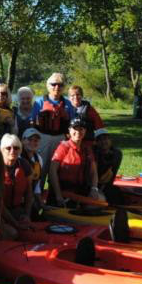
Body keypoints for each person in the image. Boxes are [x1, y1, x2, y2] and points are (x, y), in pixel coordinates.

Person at [34, 73, 73, 201]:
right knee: (41, 168)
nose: (57, 87)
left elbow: (72, 123)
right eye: (53, 84)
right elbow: (32, 122)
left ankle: (54, 197)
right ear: (48, 86)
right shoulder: (39, 102)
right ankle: (37, 198)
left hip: (60, 138)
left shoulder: (68, 104)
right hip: (43, 138)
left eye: (60, 85)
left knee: (58, 169)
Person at [48, 118, 101, 205]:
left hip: (80, 190)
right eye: (75, 129)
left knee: (100, 199)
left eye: (81, 129)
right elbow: (52, 171)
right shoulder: (63, 147)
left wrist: (94, 189)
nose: (78, 132)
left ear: (85, 131)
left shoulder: (87, 149)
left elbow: (93, 171)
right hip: (63, 190)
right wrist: (58, 195)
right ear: (69, 130)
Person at [0, 134, 34, 231]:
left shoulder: (24, 164)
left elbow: (29, 193)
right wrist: (15, 224)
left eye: (16, 148)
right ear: (2, 150)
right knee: (13, 232)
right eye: (8, 148)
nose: (12, 151)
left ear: (20, 150)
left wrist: (27, 215)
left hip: (18, 210)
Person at [67, 85, 106, 150]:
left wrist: (102, 140)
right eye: (72, 95)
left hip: (87, 142)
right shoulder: (65, 109)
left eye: (78, 94)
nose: (75, 97)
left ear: (82, 96)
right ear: (69, 97)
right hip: (70, 142)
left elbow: (99, 126)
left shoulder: (89, 109)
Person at [21, 128, 45, 219]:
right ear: (23, 141)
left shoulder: (39, 159)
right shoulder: (18, 157)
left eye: (35, 140)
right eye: (30, 140)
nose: (33, 142)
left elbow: (37, 186)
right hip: (18, 200)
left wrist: (41, 203)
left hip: (31, 199)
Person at [94, 131, 123, 205]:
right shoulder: (93, 153)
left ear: (110, 140)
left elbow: (110, 170)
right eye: (100, 140)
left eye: (106, 139)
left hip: (106, 185)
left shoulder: (117, 153)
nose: (104, 142)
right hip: (94, 186)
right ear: (96, 142)